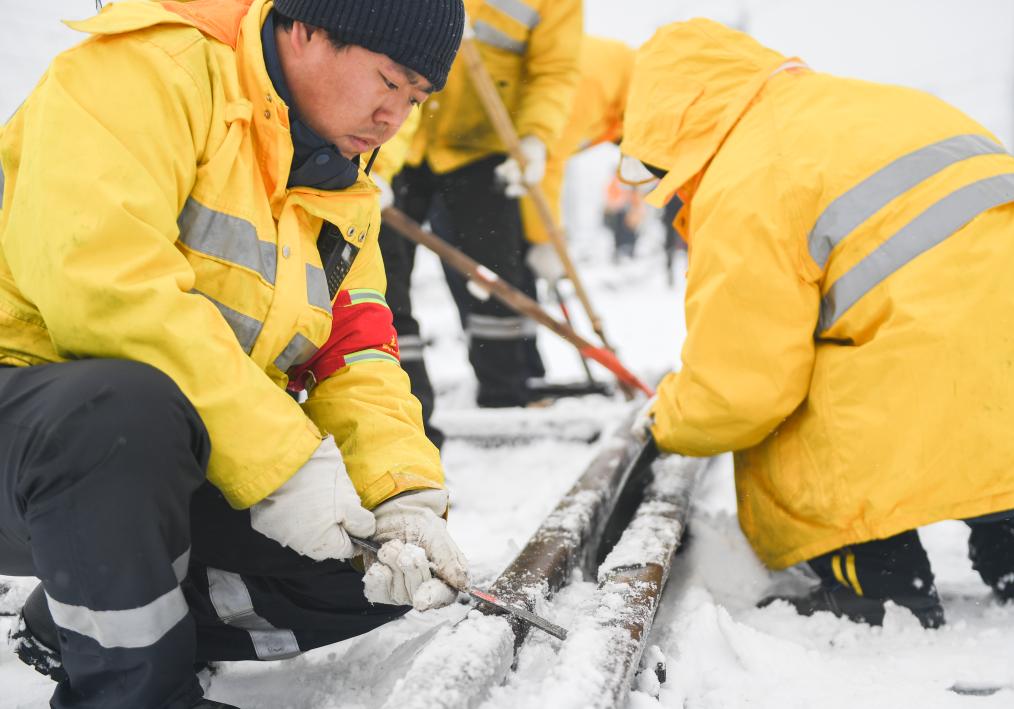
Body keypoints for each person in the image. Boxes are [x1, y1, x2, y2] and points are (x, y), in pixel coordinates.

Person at [0, 0, 468, 706]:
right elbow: (103, 289)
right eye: (388, 80)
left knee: (373, 568)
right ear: (307, 31)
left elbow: (358, 353)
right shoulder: (146, 71)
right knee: (121, 410)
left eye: (416, 97)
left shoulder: (340, 185)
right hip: (36, 432)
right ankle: (133, 692)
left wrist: (402, 497)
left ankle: (72, 618)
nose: (394, 116)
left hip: (148, 470)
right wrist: (284, 464)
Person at [624, 19, 1014, 629]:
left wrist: (667, 419)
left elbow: (743, 388)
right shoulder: (883, 104)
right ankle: (1007, 541)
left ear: (667, 121)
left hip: (930, 363)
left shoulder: (748, 173)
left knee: (791, 400)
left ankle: (877, 579)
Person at [377, 0, 582, 410]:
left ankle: (505, 393)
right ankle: (400, 400)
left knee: (494, 277)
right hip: (401, 136)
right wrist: (378, 167)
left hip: (484, 147)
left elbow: (554, 72)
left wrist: (535, 137)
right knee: (382, 274)